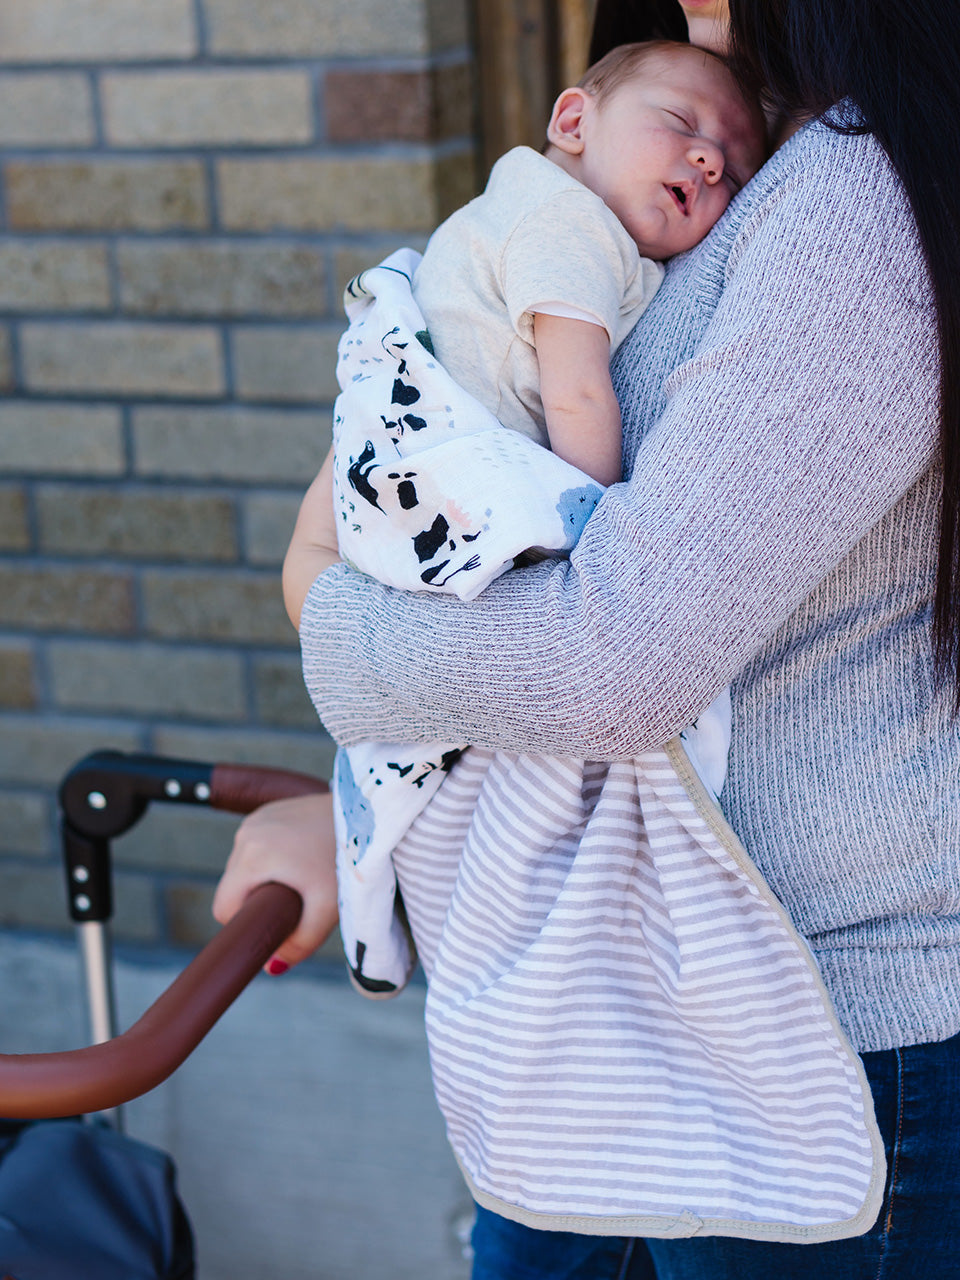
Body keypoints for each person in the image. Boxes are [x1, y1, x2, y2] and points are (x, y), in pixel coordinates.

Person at [213, 0, 960, 1275]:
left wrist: (331, 622)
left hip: (817, 1035)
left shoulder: (849, 190)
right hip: (604, 1014)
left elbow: (608, 659)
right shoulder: (705, 139)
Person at [305, 40, 764, 996]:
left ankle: (377, 907)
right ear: (571, 123)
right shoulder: (572, 225)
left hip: (395, 507)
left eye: (734, 163)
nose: (709, 159)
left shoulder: (534, 212)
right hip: (450, 479)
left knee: (406, 751)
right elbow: (579, 400)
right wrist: (596, 536)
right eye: (681, 126)